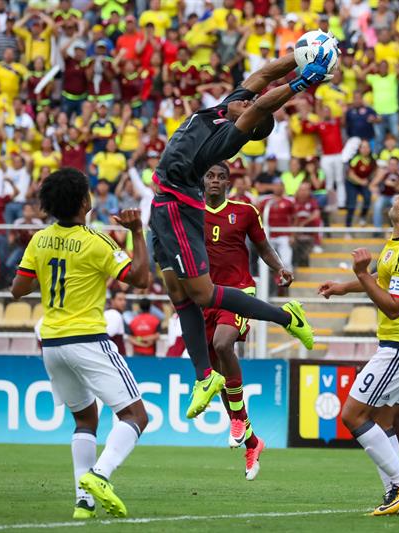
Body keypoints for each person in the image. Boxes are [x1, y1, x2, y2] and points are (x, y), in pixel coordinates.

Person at [148, 49, 329, 418]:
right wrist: (298, 55)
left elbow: (260, 103)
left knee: (200, 293)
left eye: (248, 105)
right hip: (161, 203)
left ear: (248, 119)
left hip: (179, 206)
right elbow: (263, 74)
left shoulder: (228, 139)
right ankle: (203, 377)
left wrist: (300, 84)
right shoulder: (224, 109)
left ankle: (287, 317)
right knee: (175, 290)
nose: (243, 98)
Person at [11, 168, 150, 520]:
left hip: (52, 344)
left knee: (85, 419)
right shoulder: (96, 240)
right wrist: (136, 232)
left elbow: (18, 289)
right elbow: (141, 279)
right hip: (87, 339)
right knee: (135, 415)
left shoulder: (39, 240)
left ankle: (83, 505)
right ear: (84, 202)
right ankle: (99, 476)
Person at [318, 183, 399, 516]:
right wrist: (346, 285)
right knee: (383, 422)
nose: (393, 199)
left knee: (352, 415)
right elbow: (380, 279)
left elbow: (393, 306)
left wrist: (359, 273)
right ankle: (397, 498)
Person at [203, 162, 293, 480]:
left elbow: (263, 246)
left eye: (220, 177)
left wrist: (279, 268)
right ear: (203, 180)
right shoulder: (190, 213)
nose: (215, 181)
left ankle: (239, 423)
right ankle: (252, 442)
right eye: (210, 176)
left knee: (223, 343)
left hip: (239, 292)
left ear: (229, 182)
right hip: (204, 298)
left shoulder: (244, 212)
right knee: (217, 374)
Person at [104, 290, 128, 355]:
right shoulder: (115, 314)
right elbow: (108, 335)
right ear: (112, 301)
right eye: (120, 299)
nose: (123, 302)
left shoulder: (108, 313)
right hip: (115, 356)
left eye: (124, 300)